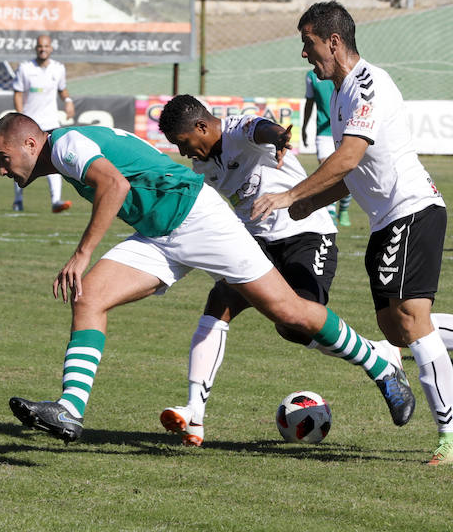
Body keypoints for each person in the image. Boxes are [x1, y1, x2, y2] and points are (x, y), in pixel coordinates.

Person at [0, 112, 415, 444]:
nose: (3, 171)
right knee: (89, 297)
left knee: (292, 314)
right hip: (158, 234)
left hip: (198, 220)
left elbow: (112, 185)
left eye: (3, 159)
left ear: (29, 142)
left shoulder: (64, 145)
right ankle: (69, 410)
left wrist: (82, 254)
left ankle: (380, 365)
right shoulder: (66, 146)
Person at [251, 1, 453, 465]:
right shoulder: (339, 94)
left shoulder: (368, 86)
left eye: (308, 43)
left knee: (413, 324)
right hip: (388, 220)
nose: (305, 55)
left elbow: (348, 158)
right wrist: (307, 203)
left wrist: (287, 196)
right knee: (395, 329)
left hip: (413, 210)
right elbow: (351, 176)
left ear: (333, 42)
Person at [155, 94, 409, 446]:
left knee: (297, 325)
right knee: (221, 299)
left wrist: (278, 136)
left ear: (201, 127)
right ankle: (194, 411)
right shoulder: (204, 166)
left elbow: (260, 129)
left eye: (183, 144)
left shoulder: (236, 129)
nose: (185, 153)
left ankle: (380, 356)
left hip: (306, 234)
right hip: (257, 245)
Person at [11, 34, 73, 213]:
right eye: (40, 46)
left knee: (54, 161)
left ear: (51, 48)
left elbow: (62, 89)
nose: (43, 49)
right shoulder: (25, 68)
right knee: (21, 163)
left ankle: (56, 201)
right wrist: (19, 117)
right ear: (35, 48)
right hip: (29, 124)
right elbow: (18, 93)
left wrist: (68, 101)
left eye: (46, 46)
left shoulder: (58, 68)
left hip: (50, 122)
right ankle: (18, 200)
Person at [303, 69, 352, 226]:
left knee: (347, 174)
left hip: (344, 131)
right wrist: (304, 127)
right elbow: (310, 103)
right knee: (327, 173)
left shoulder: (344, 72)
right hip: (323, 133)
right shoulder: (311, 76)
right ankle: (330, 216)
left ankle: (343, 211)